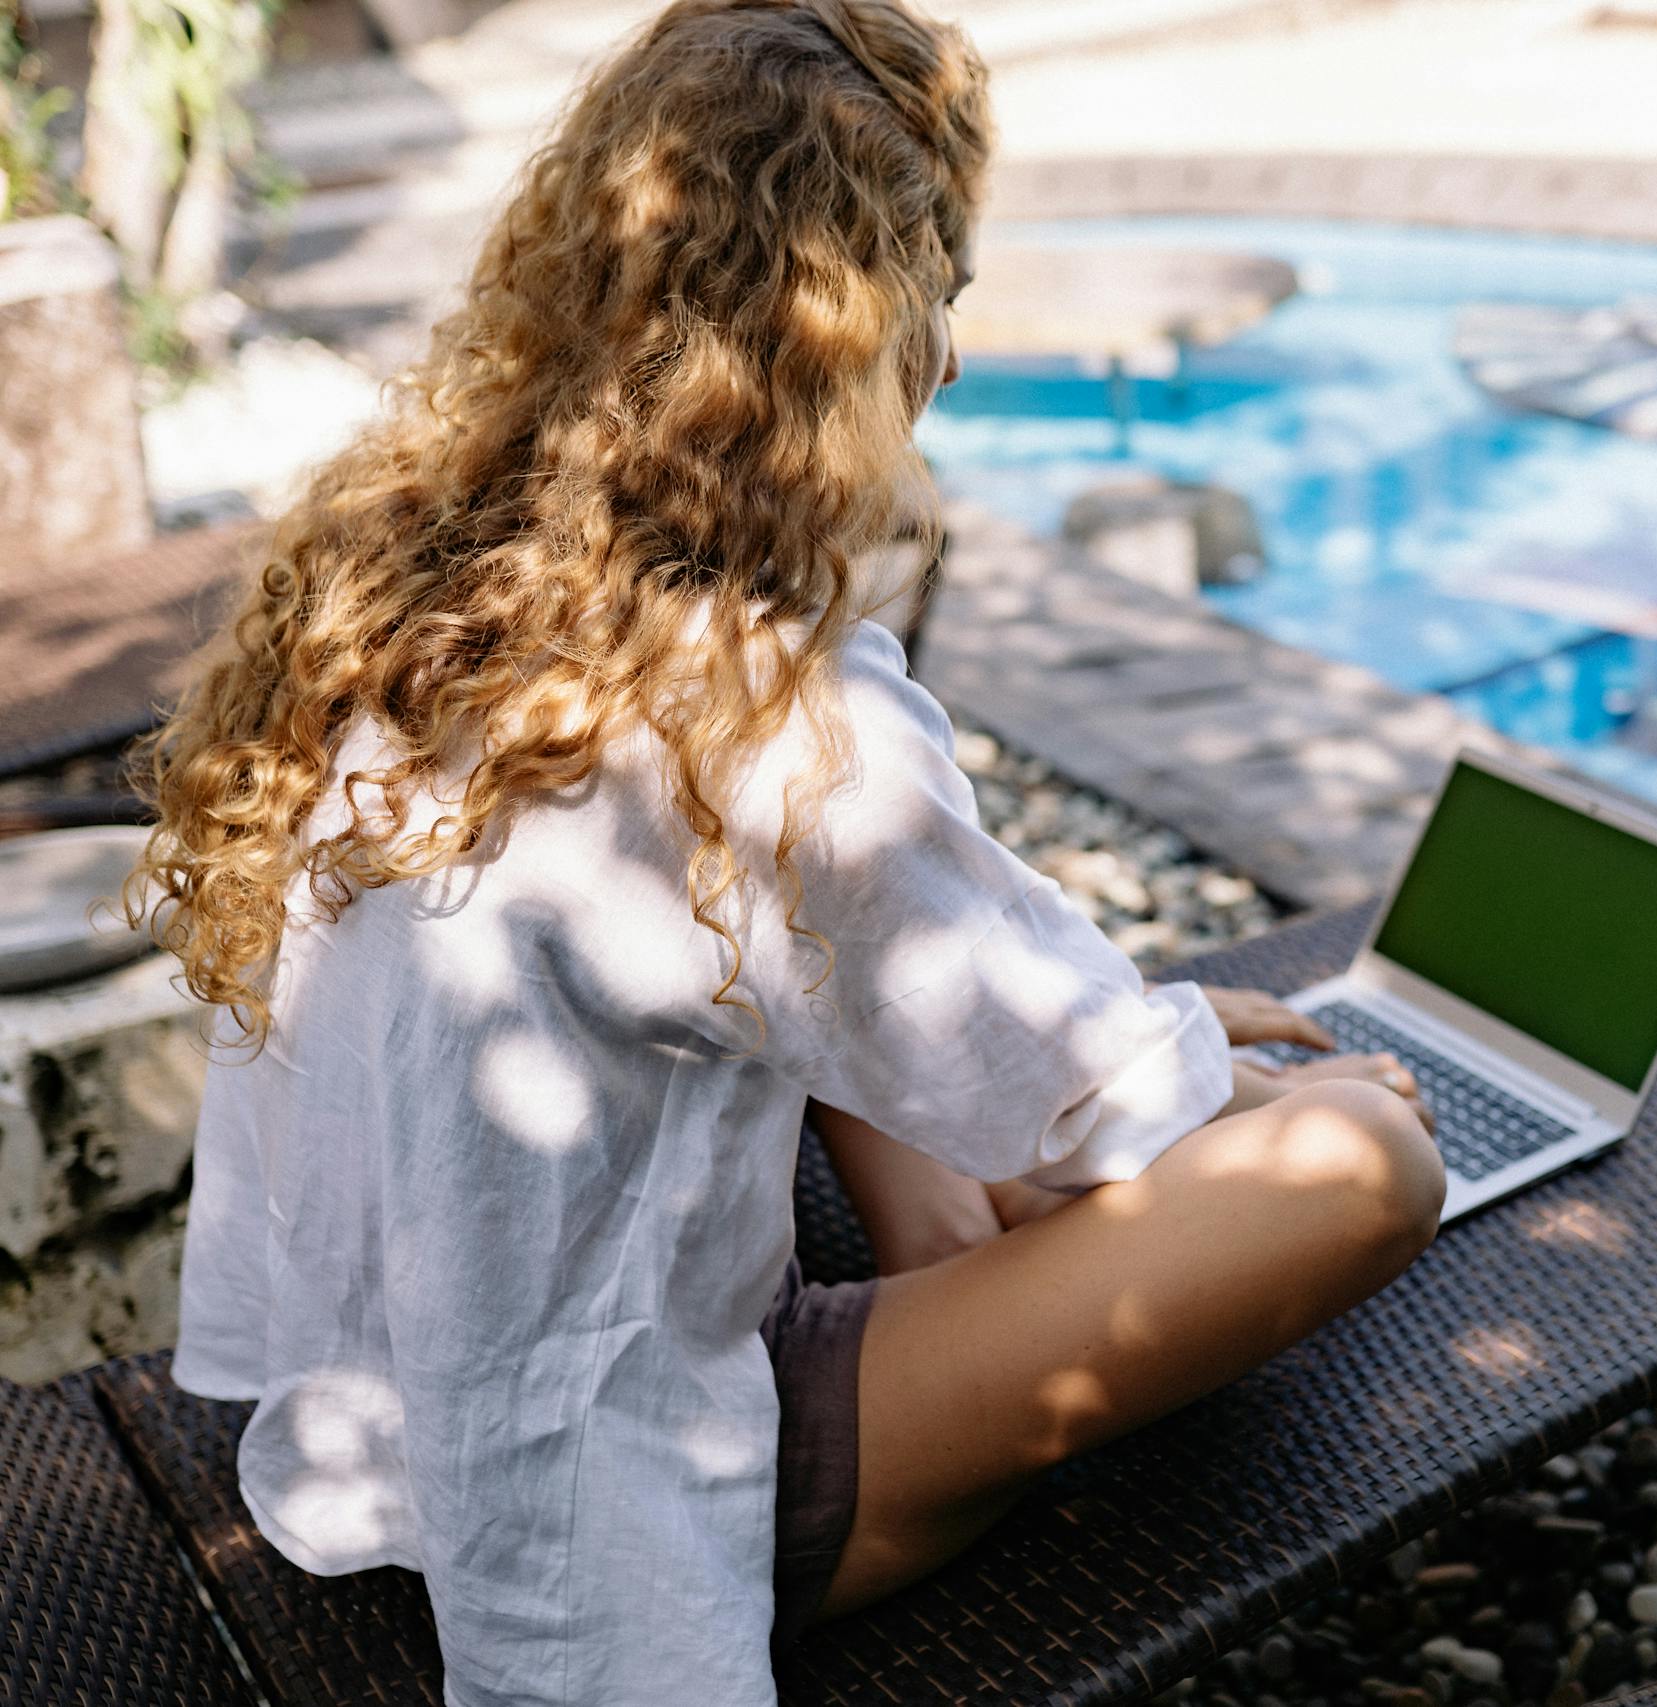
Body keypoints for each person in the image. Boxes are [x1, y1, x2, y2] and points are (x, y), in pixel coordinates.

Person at [119, 1, 1444, 1701]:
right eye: (938, 305)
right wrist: (1272, 1100)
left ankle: (968, 1238)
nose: (951, 365)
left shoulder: (410, 584)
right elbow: (1116, 1098)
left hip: (368, 1442)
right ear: (837, 345)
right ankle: (968, 1277)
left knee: (859, 977)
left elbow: (935, 984)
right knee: (1360, 1166)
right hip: (616, 1489)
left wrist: (1141, 1042)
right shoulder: (764, 729)